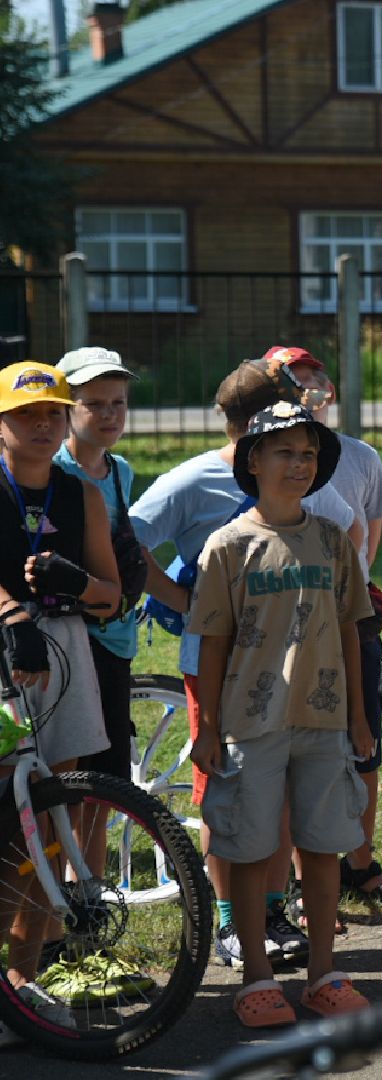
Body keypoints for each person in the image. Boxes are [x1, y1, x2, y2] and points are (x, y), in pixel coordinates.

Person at [129, 356, 359, 970]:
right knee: (229, 797)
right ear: (251, 440)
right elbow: (133, 537)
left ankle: (275, 913)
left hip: (307, 679)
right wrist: (180, 599)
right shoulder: (197, 480)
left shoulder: (307, 492)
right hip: (225, 671)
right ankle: (232, 920)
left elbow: (342, 581)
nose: (296, 458)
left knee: (284, 802)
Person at [188, 402, 372, 1027]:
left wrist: (358, 716)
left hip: (323, 723)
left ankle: (324, 972)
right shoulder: (230, 545)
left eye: (309, 454)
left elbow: (350, 627)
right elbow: (211, 642)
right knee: (249, 849)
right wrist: (208, 727)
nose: (299, 463)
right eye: (285, 452)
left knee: (322, 850)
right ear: (253, 461)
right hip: (249, 725)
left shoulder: (330, 540)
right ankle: (256, 979)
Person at [264, 346, 382, 923]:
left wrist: (354, 590)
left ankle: (362, 863)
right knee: (300, 749)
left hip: (352, 621)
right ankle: (303, 881)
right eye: (294, 385)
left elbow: (368, 534)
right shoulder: (266, 460)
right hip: (289, 630)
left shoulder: (361, 456)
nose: (310, 395)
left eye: (316, 383)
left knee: (363, 744)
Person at [0, 361, 120, 1029]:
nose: (43, 424)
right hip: (8, 654)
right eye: (26, 414)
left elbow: (111, 597)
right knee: (5, 830)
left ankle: (25, 979)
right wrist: (11, 612)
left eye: (53, 412)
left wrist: (74, 583)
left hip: (67, 656)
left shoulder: (85, 496)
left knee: (51, 823)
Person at [52, 348, 145, 882]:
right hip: (70, 633)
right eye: (95, 404)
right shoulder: (55, 471)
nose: (109, 415)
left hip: (115, 634)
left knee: (105, 775)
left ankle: (88, 885)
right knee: (68, 769)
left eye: (119, 404)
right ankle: (62, 886)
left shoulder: (121, 471)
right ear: (68, 407)